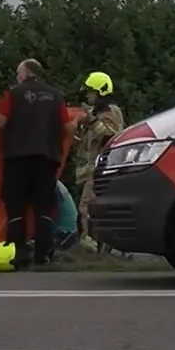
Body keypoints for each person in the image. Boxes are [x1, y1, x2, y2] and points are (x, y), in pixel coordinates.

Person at [0, 58, 66, 269]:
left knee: (16, 207)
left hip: (17, 159)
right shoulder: (56, 96)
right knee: (43, 207)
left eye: (18, 72)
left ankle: (17, 253)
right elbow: (67, 128)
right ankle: (43, 254)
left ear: (26, 72)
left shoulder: (14, 94)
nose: (17, 76)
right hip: (47, 159)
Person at [72, 70, 125, 247]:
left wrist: (92, 121)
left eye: (90, 92)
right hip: (88, 169)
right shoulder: (95, 112)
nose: (87, 95)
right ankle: (92, 243)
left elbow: (112, 135)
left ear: (100, 92)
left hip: (101, 168)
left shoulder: (111, 111)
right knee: (87, 206)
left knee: (87, 208)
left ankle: (92, 244)